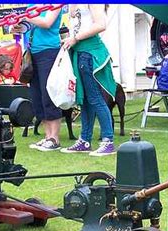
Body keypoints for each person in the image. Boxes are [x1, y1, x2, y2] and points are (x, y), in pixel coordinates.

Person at [61, 4, 116, 156]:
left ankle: (108, 140)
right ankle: (85, 140)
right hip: (80, 51)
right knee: (85, 99)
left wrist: (75, 38)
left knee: (95, 98)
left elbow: (100, 24)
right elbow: (74, 17)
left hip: (89, 52)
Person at [22, 4, 64, 152]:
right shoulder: (30, 4)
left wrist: (25, 16)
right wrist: (18, 28)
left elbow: (47, 23)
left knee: (49, 94)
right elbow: (28, 27)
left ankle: (55, 138)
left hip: (49, 51)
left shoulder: (55, 4)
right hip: (32, 52)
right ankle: (47, 136)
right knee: (37, 95)